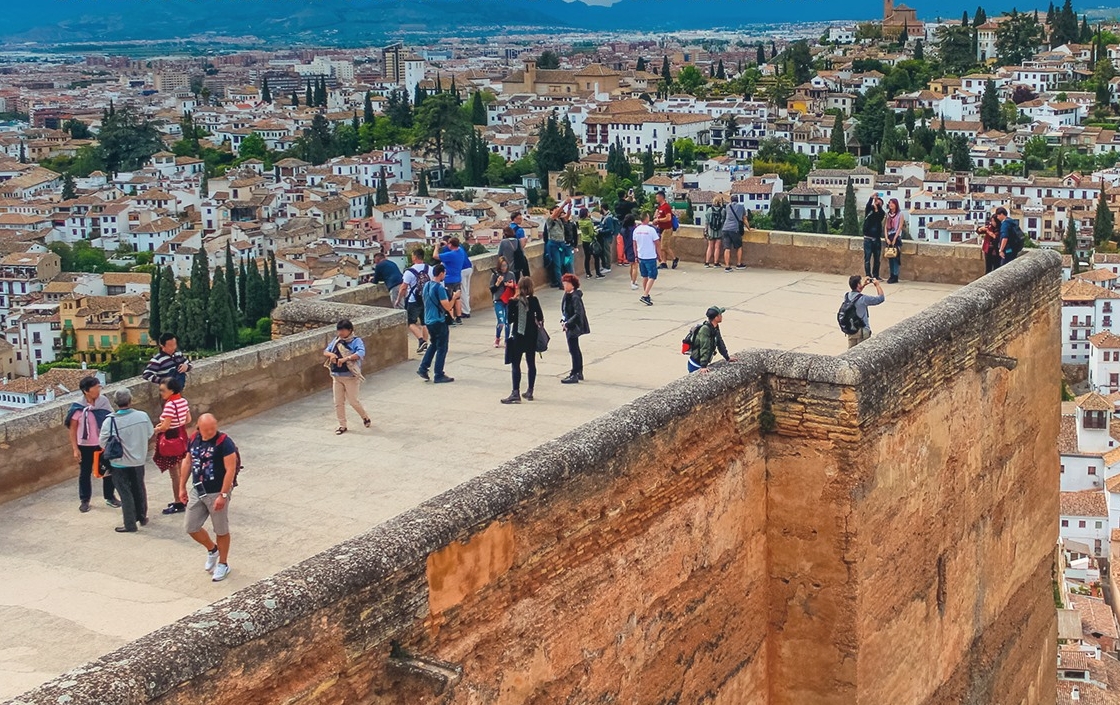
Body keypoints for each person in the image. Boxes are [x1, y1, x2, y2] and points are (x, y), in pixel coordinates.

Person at [179, 413, 238, 582]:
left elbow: (230, 469)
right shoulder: (194, 439)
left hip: (217, 491)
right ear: (199, 427)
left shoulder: (224, 442)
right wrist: (182, 487)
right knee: (191, 527)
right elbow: (188, 461)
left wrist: (223, 495)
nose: (210, 432)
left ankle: (223, 564)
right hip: (198, 489)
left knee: (221, 529)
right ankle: (212, 549)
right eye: (206, 429)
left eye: (213, 428)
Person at [100, 388, 154, 533]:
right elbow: (149, 433)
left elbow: (102, 442)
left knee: (125, 492)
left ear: (115, 403)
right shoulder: (142, 416)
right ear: (130, 400)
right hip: (138, 461)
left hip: (119, 462)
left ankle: (130, 524)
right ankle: (142, 516)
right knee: (139, 488)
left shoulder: (110, 422)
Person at [66, 376, 118, 513]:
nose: (98, 389)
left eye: (99, 387)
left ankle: (110, 496)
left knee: (108, 470)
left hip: (102, 443)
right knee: (85, 472)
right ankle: (84, 500)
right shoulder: (77, 407)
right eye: (95, 387)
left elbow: (111, 419)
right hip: (85, 445)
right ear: (86, 391)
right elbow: (73, 429)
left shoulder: (103, 401)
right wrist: (75, 448)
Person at [501, 276, 544, 404]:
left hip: (518, 336)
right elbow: (540, 317)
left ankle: (515, 392)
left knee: (516, 364)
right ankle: (530, 391)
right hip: (531, 336)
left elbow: (509, 320)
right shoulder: (534, 300)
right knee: (531, 363)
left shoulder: (514, 302)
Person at [324, 319, 370, 435]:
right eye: (339, 330)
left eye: (343, 330)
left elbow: (361, 353)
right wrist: (331, 355)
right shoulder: (336, 340)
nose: (340, 333)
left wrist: (346, 358)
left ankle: (364, 416)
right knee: (338, 402)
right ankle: (342, 425)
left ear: (350, 330)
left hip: (350, 376)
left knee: (353, 401)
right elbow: (326, 351)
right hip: (336, 376)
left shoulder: (356, 341)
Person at [154, 376, 192, 515]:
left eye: (163, 390)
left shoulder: (170, 405)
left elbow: (165, 426)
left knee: (174, 474)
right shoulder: (183, 401)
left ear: (171, 390)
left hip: (171, 438)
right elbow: (188, 419)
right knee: (181, 471)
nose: (161, 393)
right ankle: (183, 498)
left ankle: (178, 501)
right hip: (181, 435)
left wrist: (157, 429)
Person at [417, 263, 457, 384]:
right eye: (444, 273)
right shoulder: (439, 288)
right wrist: (454, 297)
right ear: (441, 274)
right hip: (438, 321)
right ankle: (438, 374)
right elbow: (448, 306)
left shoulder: (427, 285)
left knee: (434, 344)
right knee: (442, 348)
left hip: (428, 320)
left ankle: (423, 368)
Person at [560, 273, 590, 384]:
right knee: (574, 349)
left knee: (574, 350)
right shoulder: (567, 295)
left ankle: (575, 373)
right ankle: (578, 371)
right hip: (569, 324)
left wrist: (568, 324)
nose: (564, 286)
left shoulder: (575, 297)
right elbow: (564, 310)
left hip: (574, 326)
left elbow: (578, 314)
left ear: (572, 285)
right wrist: (563, 320)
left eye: (566, 284)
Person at [688, 306, 737, 372]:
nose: (721, 316)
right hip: (696, 364)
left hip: (702, 362)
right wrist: (703, 366)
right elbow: (705, 347)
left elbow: (720, 343)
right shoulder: (705, 329)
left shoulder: (715, 327)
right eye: (720, 315)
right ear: (716, 318)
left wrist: (727, 357)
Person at [401, 248, 431, 354]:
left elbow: (403, 287)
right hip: (426, 298)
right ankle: (425, 344)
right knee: (424, 322)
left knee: (410, 322)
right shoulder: (429, 269)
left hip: (414, 300)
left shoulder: (409, 272)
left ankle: (421, 340)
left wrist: (398, 299)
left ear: (414, 257)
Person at [843, 274, 886, 348]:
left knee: (851, 352)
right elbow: (881, 298)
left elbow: (856, 295)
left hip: (851, 329)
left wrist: (864, 285)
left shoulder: (847, 296)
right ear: (858, 285)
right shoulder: (863, 299)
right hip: (862, 331)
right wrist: (877, 285)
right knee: (862, 351)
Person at [633, 211, 662, 306]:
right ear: (646, 218)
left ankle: (646, 292)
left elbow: (634, 244)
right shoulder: (651, 230)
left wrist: (636, 255)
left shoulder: (636, 230)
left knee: (645, 276)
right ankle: (645, 295)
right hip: (650, 256)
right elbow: (657, 243)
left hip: (641, 256)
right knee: (652, 275)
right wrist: (660, 255)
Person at [438, 237, 468, 324]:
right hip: (457, 278)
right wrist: (447, 245)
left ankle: (451, 318)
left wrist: (436, 247)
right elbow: (454, 247)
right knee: (457, 298)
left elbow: (435, 256)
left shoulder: (451, 255)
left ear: (451, 244)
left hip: (449, 279)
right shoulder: (460, 251)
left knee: (449, 299)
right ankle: (459, 317)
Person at [489, 256, 516, 347]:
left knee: (508, 322)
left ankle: (507, 339)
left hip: (508, 300)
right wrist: (497, 283)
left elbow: (515, 287)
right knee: (501, 321)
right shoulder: (494, 275)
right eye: (502, 266)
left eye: (505, 265)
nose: (503, 268)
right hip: (498, 300)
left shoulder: (511, 274)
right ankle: (497, 337)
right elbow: (492, 289)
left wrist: (510, 285)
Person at [544, 206, 571, 288]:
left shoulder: (559, 220)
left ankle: (562, 281)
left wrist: (569, 208)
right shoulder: (550, 220)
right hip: (554, 244)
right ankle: (560, 283)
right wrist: (564, 203)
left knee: (563, 263)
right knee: (557, 264)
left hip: (561, 244)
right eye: (556, 209)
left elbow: (567, 216)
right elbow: (556, 213)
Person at [721, 197, 749, 272]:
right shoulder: (741, 207)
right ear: (738, 200)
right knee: (739, 247)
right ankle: (739, 264)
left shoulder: (727, 206)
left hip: (725, 229)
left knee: (727, 248)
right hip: (735, 229)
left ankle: (727, 266)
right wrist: (749, 228)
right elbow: (744, 219)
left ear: (731, 200)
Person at [862, 194, 885, 280]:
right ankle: (868, 275)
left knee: (877, 259)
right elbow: (868, 205)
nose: (877, 204)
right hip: (868, 238)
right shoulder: (869, 210)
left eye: (879, 203)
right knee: (867, 258)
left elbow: (878, 218)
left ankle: (876, 275)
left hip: (876, 239)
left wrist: (876, 208)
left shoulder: (881, 213)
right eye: (876, 202)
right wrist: (872, 197)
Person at [653, 191, 678, 269]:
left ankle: (674, 258)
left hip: (667, 228)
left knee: (664, 246)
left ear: (661, 197)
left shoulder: (666, 207)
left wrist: (658, 220)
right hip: (661, 228)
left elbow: (668, 218)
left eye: (657, 197)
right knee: (662, 246)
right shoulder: (660, 207)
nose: (656, 199)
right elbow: (657, 216)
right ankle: (664, 262)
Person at [578, 207, 604, 279]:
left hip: (584, 240)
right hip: (591, 241)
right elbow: (591, 233)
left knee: (587, 257)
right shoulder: (589, 222)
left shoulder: (580, 221)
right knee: (596, 257)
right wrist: (596, 232)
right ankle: (598, 273)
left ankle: (588, 273)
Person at [884, 197, 904, 284]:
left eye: (892, 203)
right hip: (889, 236)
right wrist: (886, 238)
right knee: (890, 256)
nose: (890, 205)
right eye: (890, 203)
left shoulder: (900, 214)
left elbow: (900, 227)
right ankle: (891, 274)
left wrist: (895, 238)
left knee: (895, 257)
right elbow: (885, 227)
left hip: (896, 236)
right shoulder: (888, 215)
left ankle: (895, 275)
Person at [705, 195, 726, 268]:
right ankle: (716, 263)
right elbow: (723, 221)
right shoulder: (723, 211)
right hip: (719, 231)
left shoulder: (709, 210)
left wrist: (706, 230)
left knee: (710, 247)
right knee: (717, 247)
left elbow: (707, 222)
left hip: (711, 231)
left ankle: (707, 262)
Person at [597, 205, 618, 273]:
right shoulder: (605, 216)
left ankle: (608, 267)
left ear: (603, 209)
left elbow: (611, 229)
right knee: (605, 252)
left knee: (607, 252)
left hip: (607, 237)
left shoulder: (608, 218)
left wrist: (601, 231)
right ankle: (605, 266)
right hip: (604, 237)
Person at [621, 213, 639, 290]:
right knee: (635, 266)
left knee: (632, 265)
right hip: (633, 249)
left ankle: (633, 280)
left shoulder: (623, 230)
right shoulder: (633, 230)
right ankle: (633, 282)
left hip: (627, 249)